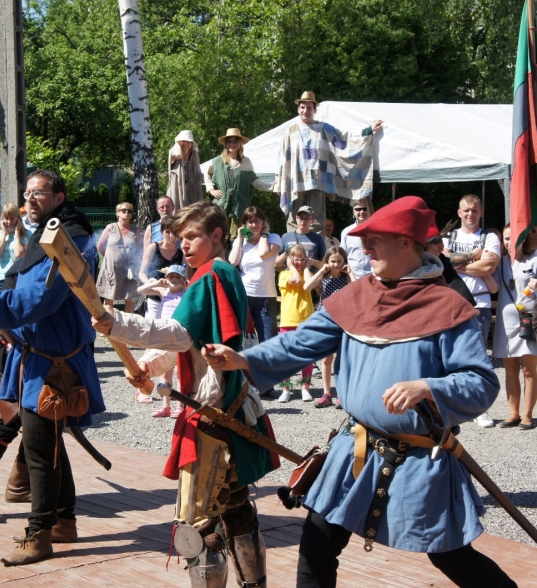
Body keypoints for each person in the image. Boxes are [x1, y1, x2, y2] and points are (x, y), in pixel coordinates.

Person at [203, 196, 516, 587]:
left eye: (375, 240)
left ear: (406, 242)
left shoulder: (448, 307)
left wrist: (428, 387)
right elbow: (299, 343)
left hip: (418, 458)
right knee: (316, 547)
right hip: (354, 449)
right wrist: (243, 359)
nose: (365, 249)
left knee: (451, 555)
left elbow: (480, 382)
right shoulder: (355, 297)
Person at [92, 200, 274, 587]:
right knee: (236, 508)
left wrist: (117, 323)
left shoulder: (211, 275)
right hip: (231, 410)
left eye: (192, 236)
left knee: (198, 527)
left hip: (213, 415)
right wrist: (149, 367)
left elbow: (178, 333)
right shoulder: (222, 274)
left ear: (217, 235)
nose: (184, 244)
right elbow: (191, 345)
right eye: (181, 237)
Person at [0, 169, 103, 566]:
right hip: (37, 357)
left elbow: (37, 301)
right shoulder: (48, 236)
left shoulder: (69, 241)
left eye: (39, 193)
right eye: (27, 193)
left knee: (41, 451)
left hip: (53, 365)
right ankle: (64, 521)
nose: (30, 200)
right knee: (49, 444)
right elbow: (19, 288)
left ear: (59, 197)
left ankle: (39, 535)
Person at [273, 91, 382, 230]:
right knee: (294, 219)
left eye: (309, 108)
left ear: (314, 110)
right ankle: (293, 243)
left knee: (316, 220)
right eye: (303, 107)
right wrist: (279, 183)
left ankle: (316, 243)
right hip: (296, 181)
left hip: (316, 181)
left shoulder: (323, 128)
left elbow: (344, 139)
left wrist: (368, 131)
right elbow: (282, 158)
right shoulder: (290, 131)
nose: (305, 111)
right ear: (298, 109)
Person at [443, 194, 501, 428]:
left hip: (480, 303)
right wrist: (473, 256)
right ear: (459, 213)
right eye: (466, 210)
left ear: (481, 212)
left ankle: (480, 408)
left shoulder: (490, 237)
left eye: (474, 210)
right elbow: (441, 260)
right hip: (450, 302)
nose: (470, 214)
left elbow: (489, 265)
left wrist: (455, 263)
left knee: (479, 357)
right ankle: (452, 405)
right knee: (448, 355)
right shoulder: (449, 236)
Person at [493, 225, 537, 430]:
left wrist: (536, 288)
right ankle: (513, 413)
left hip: (528, 319)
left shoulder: (536, 261)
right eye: (506, 239)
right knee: (510, 368)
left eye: (513, 238)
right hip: (506, 321)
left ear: (523, 239)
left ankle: (528, 415)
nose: (509, 243)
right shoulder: (499, 262)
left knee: (529, 369)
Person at [135, 264, 188, 418]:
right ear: (166, 278)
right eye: (171, 276)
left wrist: (188, 285)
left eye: (178, 277)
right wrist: (157, 283)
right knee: (166, 373)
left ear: (183, 279)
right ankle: (166, 406)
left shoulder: (187, 292)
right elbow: (140, 290)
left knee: (179, 373)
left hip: (179, 335)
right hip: (164, 335)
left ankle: (180, 406)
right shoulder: (163, 291)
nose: (174, 279)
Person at [308, 245, 355, 409]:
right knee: (326, 359)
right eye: (332, 261)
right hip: (326, 320)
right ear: (327, 261)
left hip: (343, 321)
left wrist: (350, 272)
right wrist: (321, 271)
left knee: (341, 359)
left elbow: (357, 290)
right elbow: (307, 287)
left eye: (339, 261)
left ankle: (341, 394)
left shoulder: (346, 277)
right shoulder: (323, 276)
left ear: (344, 261)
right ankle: (326, 393)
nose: (336, 265)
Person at [205, 128, 271, 238]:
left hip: (240, 204)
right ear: (226, 144)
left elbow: (255, 181)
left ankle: (239, 248)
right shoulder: (217, 161)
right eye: (229, 141)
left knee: (239, 232)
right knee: (221, 232)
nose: (232, 144)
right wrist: (211, 189)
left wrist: (273, 187)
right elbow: (207, 174)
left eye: (235, 141)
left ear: (239, 143)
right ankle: (224, 249)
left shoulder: (246, 162)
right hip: (222, 203)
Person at [228, 206, 281, 344]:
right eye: (250, 222)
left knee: (269, 341)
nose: (254, 225)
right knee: (241, 340)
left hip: (266, 297)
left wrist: (264, 234)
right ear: (244, 225)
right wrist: (240, 238)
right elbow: (233, 261)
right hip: (244, 295)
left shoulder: (273, 238)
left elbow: (263, 254)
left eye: (257, 220)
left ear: (264, 222)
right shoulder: (241, 241)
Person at [276, 245, 317, 403]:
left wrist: (307, 267)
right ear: (289, 259)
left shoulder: (308, 274)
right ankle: (286, 388)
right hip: (288, 319)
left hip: (306, 320)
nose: (299, 262)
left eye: (302, 259)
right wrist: (290, 266)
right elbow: (297, 280)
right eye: (296, 259)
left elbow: (308, 283)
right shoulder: (284, 275)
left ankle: (305, 387)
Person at [96, 202, 140, 314]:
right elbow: (100, 246)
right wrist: (111, 258)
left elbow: (140, 248)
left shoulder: (135, 230)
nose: (127, 213)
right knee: (109, 299)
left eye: (129, 211)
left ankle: (128, 323)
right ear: (117, 213)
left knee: (129, 299)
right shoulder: (110, 227)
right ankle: (108, 323)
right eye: (124, 210)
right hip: (111, 269)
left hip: (129, 270)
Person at [138, 214, 183, 321]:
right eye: (167, 232)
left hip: (174, 298)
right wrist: (151, 284)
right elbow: (142, 273)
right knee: (153, 328)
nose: (171, 235)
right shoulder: (153, 247)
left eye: (174, 232)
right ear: (162, 232)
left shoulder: (181, 252)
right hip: (154, 296)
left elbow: (185, 275)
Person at [0, 203, 29, 289]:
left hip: (17, 277)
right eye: (6, 218)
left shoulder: (27, 234)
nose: (9, 222)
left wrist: (17, 233)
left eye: (12, 218)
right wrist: (4, 234)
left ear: (18, 219)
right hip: (0, 278)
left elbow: (19, 254)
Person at [275, 205, 326, 271]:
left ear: (312, 220)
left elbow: (325, 265)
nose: (303, 221)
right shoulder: (286, 237)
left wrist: (312, 262)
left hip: (310, 275)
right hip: (291, 275)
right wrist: (287, 252)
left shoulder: (318, 238)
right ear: (296, 218)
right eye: (301, 218)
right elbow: (277, 264)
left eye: (306, 218)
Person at [167, 130, 204, 210]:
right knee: (176, 209)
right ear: (179, 142)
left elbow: (197, 172)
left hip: (191, 188)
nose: (186, 144)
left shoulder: (194, 153)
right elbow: (177, 155)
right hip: (176, 188)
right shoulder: (173, 151)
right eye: (183, 141)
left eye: (188, 142)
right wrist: (177, 145)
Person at [340, 198, 373, 277]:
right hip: (353, 276)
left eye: (365, 209)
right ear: (353, 211)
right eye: (358, 209)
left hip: (372, 275)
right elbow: (342, 254)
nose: (362, 212)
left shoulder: (376, 231)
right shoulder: (346, 232)